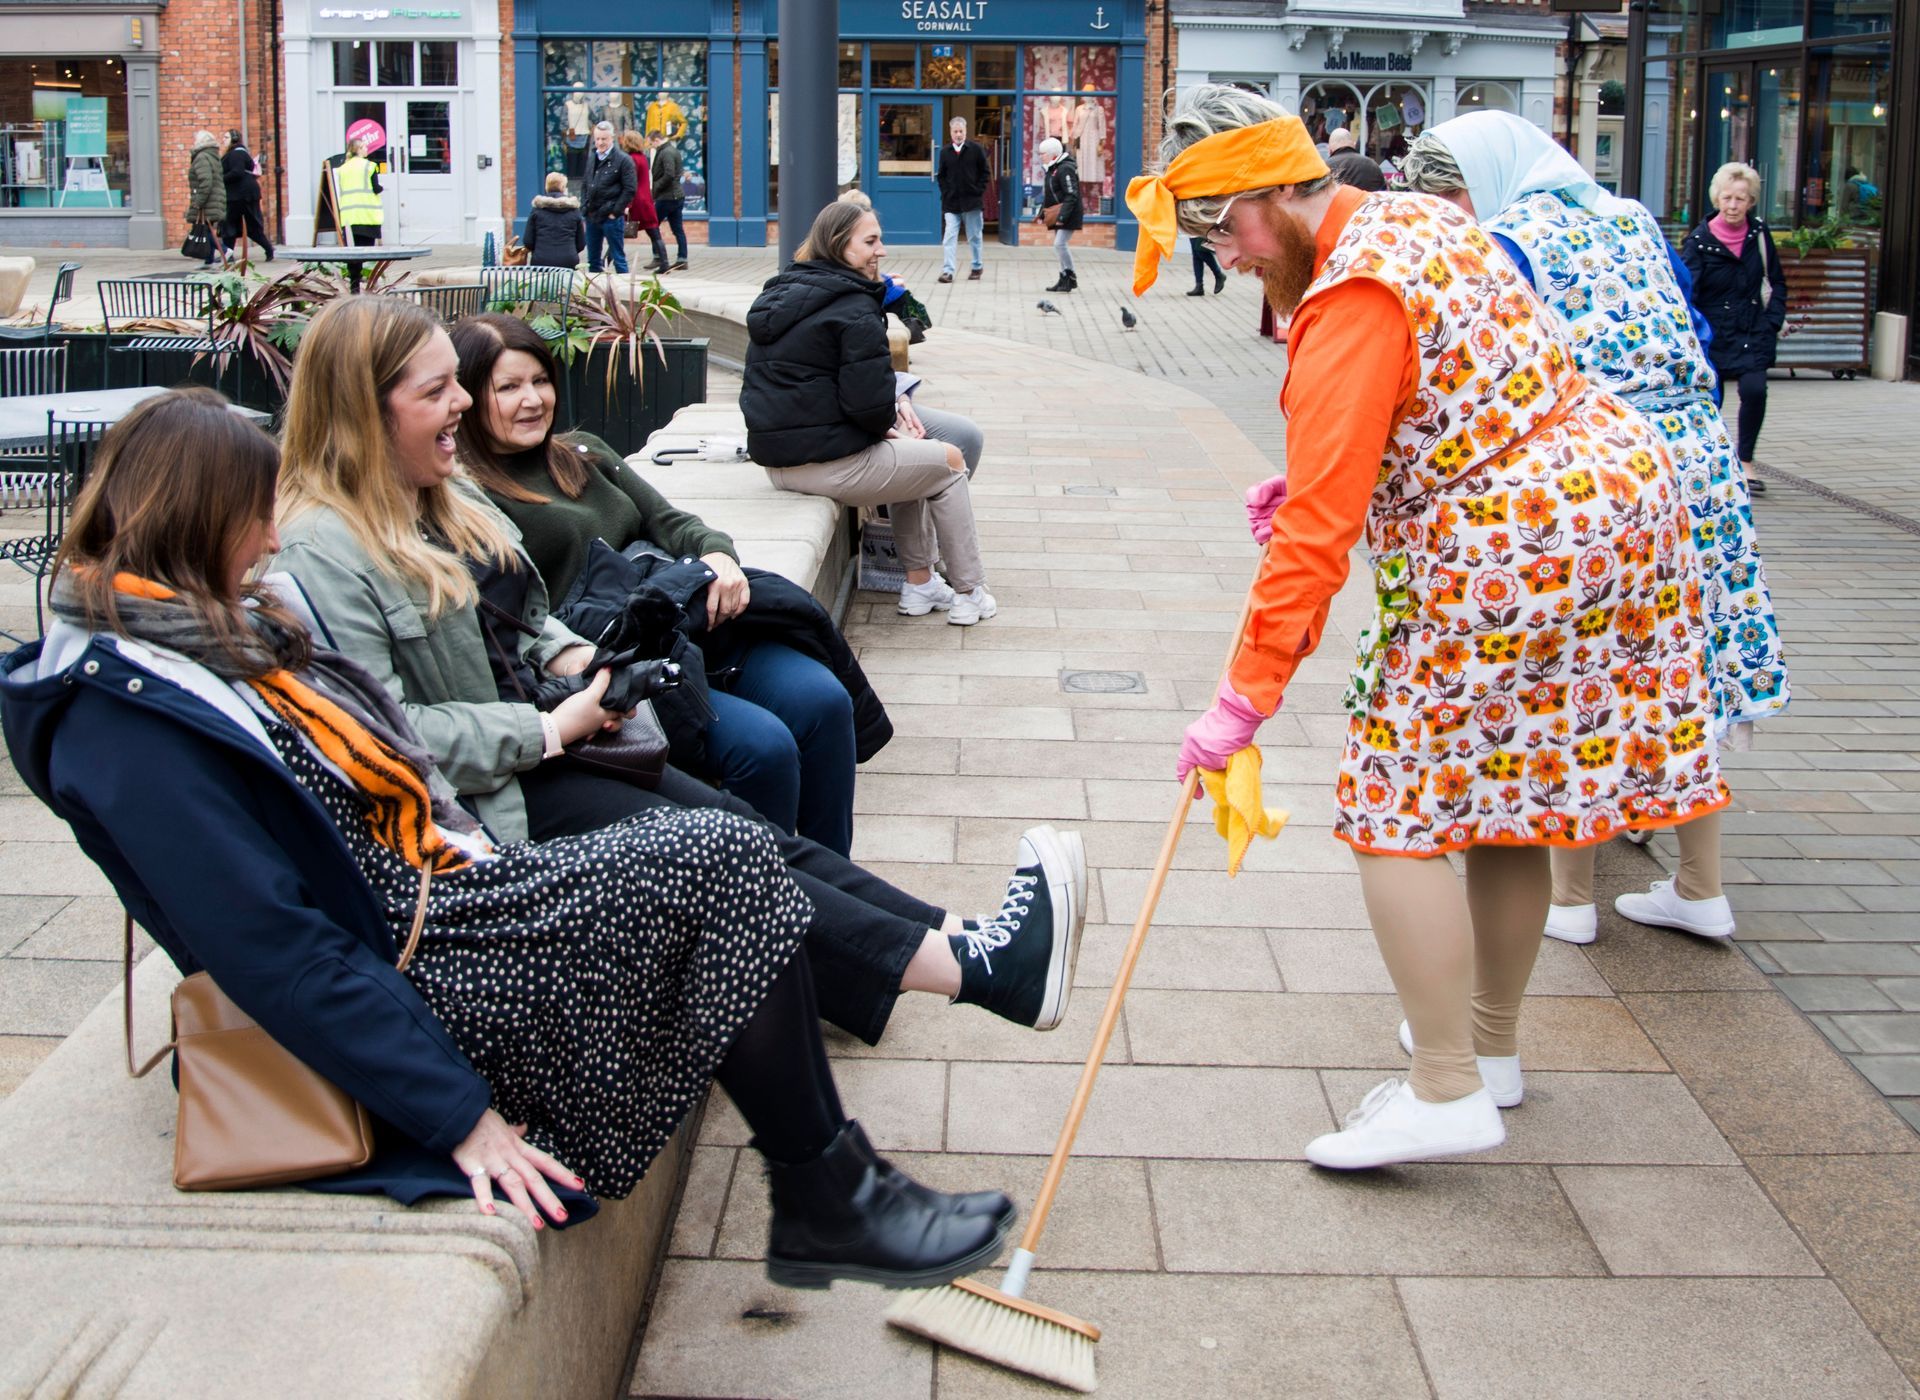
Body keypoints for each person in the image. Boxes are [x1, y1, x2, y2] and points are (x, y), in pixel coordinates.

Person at [3, 387, 1014, 1292]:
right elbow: (272, 943)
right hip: (421, 954)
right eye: (247, 518)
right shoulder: (123, 717)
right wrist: (457, 1117)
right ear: (190, 520)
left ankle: (831, 1191)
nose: (267, 541)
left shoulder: (206, 634)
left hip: (442, 893)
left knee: (728, 849)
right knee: (720, 862)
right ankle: (831, 1197)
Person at [1131, 85, 1728, 1169]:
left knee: (1394, 800)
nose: (1229, 256)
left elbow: (1315, 540)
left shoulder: (1351, 295)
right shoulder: (1412, 213)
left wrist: (1242, 703)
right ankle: (1485, 1051)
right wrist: (1316, 474)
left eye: (1227, 228)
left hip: (1512, 545)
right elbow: (1450, 391)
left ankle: (1445, 1084)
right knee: (1507, 793)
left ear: (1275, 187)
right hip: (1610, 508)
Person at [269, 296, 1080, 1050]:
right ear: (364, 409)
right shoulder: (328, 545)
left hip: (566, 724)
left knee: (752, 826)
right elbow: (384, 736)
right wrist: (552, 725)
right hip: (496, 800)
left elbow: (520, 618)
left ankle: (968, 945)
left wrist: (572, 659)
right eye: (445, 388)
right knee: (731, 841)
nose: (464, 405)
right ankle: (971, 972)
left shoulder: (440, 492)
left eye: (468, 384)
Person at [1404, 112, 1788, 947]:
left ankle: (1570, 897)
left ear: (1484, 177)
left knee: (1580, 663)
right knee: (1690, 655)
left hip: (1597, 459)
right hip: (1695, 454)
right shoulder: (1630, 216)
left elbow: (1479, 365)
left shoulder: (1508, 240)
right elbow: (1699, 328)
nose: (1455, 216)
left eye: (1455, 196)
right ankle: (1700, 886)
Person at [451, 313, 869, 856]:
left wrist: (718, 554)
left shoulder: (582, 453)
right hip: (622, 662)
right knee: (763, 748)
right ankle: (771, 908)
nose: (532, 399)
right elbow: (520, 621)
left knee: (825, 700)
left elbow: (671, 522)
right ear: (463, 398)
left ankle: (840, 893)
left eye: (540, 380)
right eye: (507, 387)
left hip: (690, 625)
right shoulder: (469, 499)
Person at [744, 202, 997, 627]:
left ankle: (919, 584)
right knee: (949, 461)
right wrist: (888, 421)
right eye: (871, 241)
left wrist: (891, 414)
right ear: (841, 246)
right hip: (826, 464)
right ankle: (970, 591)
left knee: (918, 455)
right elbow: (866, 405)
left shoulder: (785, 292)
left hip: (782, 460)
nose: (882, 249)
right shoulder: (853, 307)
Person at [1680, 162, 1787, 499]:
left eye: (1740, 199)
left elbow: (1778, 282)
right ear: (1717, 198)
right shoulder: (1699, 240)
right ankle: (1717, 463)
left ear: (1751, 201)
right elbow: (1687, 289)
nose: (1732, 205)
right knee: (1713, 401)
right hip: (1713, 330)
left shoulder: (1759, 234)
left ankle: (1746, 460)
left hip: (1752, 327)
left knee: (1755, 390)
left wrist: (1771, 322)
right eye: (1727, 197)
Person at [935, 117, 989, 284]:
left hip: (971, 202)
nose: (958, 135)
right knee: (950, 236)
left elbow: (985, 172)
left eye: (961, 132)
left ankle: (976, 266)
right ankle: (948, 271)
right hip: (951, 202)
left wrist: (978, 190)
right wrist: (945, 192)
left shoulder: (976, 149)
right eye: (955, 132)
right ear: (951, 133)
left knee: (974, 236)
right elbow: (941, 175)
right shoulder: (945, 152)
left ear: (966, 132)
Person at [581, 122, 636, 275]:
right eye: (597, 139)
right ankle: (595, 294)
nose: (600, 143)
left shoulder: (623, 160)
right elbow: (585, 183)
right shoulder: (592, 156)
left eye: (604, 139)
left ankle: (624, 295)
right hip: (592, 215)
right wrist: (584, 207)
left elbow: (630, 189)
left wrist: (615, 211)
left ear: (612, 138)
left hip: (611, 217)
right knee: (593, 260)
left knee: (618, 258)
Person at [1037, 137, 1083, 294]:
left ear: (1052, 154)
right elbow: (1050, 193)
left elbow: (1071, 194)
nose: (1040, 156)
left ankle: (1070, 275)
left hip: (1068, 214)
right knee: (1059, 245)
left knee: (1059, 244)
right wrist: (1041, 212)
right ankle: (1063, 277)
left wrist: (1063, 217)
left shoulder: (1065, 169)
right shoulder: (1052, 168)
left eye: (1042, 153)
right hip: (1058, 212)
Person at [220, 129, 273, 263]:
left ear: (234, 139)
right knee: (248, 225)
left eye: (226, 137)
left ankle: (228, 254)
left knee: (229, 223)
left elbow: (237, 172)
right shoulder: (241, 152)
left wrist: (220, 178)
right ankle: (268, 249)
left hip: (238, 195)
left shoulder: (235, 154)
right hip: (245, 194)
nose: (223, 140)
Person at [621, 131, 670, 275]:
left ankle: (607, 261)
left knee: (618, 232)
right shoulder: (642, 157)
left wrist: (627, 205)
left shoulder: (630, 159)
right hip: (646, 200)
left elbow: (630, 183)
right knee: (654, 232)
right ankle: (665, 263)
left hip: (635, 201)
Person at [521, 172, 584, 270]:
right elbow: (581, 243)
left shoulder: (537, 210)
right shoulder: (574, 211)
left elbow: (528, 241)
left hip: (541, 262)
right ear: (563, 187)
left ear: (547, 186)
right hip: (568, 262)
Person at [185, 130, 228, 265]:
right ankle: (208, 260)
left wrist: (198, 202)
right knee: (206, 228)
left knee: (205, 229)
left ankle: (225, 251)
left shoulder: (201, 157)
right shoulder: (212, 155)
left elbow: (205, 182)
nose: (194, 142)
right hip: (214, 200)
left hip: (207, 201)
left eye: (196, 139)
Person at [650, 130, 689, 272]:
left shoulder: (665, 152)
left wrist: (655, 189)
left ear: (656, 140)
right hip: (676, 196)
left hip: (666, 197)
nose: (651, 146)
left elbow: (669, 174)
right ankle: (682, 259)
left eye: (651, 143)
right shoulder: (673, 150)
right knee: (678, 229)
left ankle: (658, 257)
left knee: (652, 226)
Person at [336, 135, 384, 247]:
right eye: (365, 147)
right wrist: (382, 188)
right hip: (368, 215)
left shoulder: (343, 168)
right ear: (358, 150)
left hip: (350, 216)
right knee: (367, 251)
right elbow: (376, 188)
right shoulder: (369, 166)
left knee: (354, 254)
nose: (367, 149)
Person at [1326, 127, 1386, 193]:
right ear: (1353, 144)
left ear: (1329, 150)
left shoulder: (1325, 168)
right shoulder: (1372, 165)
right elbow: (1383, 194)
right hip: (1367, 202)